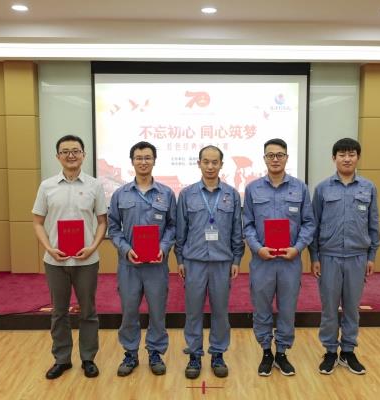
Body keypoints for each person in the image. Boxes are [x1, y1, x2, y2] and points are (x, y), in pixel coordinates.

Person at [32, 134, 107, 380]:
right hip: (56, 261)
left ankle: (88, 358)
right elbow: (37, 222)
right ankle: (62, 359)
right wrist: (49, 248)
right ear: (58, 156)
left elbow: (102, 222)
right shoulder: (47, 186)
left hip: (87, 261)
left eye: (75, 151)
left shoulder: (95, 185)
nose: (71, 155)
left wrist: (93, 247)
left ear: (84, 155)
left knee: (88, 311)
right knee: (59, 312)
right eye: (65, 151)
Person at [243, 138, 315, 377]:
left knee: (287, 309)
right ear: (264, 159)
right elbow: (247, 224)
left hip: (289, 261)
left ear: (286, 158)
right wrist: (257, 248)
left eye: (280, 155)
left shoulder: (300, 188)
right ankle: (266, 352)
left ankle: (282, 353)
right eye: (270, 155)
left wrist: (298, 248)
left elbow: (309, 223)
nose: (275, 159)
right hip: (262, 261)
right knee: (261, 308)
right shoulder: (253, 189)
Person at [310, 138, 380, 375]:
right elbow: (314, 224)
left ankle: (348, 351)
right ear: (334, 158)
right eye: (342, 155)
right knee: (329, 309)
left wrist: (371, 255)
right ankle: (330, 351)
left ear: (358, 157)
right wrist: (314, 256)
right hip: (328, 257)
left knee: (352, 308)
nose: (347, 159)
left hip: (357, 257)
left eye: (351, 154)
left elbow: (373, 224)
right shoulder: (322, 189)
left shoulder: (368, 188)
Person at [175, 145, 244, 379]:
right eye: (206, 162)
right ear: (199, 164)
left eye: (215, 162)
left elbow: (236, 230)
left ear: (221, 165)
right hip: (193, 261)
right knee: (193, 312)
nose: (210, 166)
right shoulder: (187, 194)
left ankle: (217, 354)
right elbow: (181, 230)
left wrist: (237, 258)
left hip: (222, 262)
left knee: (220, 312)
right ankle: (194, 354)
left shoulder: (231, 194)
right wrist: (180, 259)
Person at [108, 141, 176, 377]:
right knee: (129, 311)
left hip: (157, 265)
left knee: (157, 311)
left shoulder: (167, 193)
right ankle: (130, 353)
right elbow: (113, 228)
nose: (143, 162)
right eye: (139, 158)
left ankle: (155, 352)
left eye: (148, 157)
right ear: (132, 162)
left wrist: (163, 247)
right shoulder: (120, 194)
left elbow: (173, 226)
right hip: (129, 265)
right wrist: (126, 249)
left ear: (154, 160)